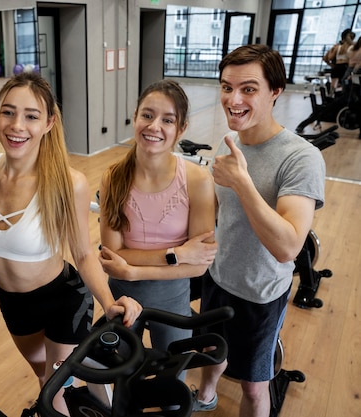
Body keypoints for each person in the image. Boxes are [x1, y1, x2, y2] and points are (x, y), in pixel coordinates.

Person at [0, 72, 142, 414]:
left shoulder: (68, 183)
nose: (17, 125)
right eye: (8, 112)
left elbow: (82, 253)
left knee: (54, 392)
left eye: (31, 116)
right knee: (43, 378)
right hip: (12, 303)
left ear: (48, 123)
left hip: (63, 301)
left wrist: (107, 302)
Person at [192, 45, 325, 417]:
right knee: (210, 351)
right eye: (226, 87)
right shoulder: (229, 142)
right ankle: (205, 395)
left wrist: (242, 182)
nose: (233, 99)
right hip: (218, 277)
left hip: (261, 294)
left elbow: (288, 247)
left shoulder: (301, 158)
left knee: (254, 385)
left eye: (248, 89)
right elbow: (217, 213)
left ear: (275, 92)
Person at [96, 80, 217, 358]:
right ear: (135, 116)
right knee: (119, 379)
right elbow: (113, 255)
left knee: (172, 386)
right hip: (122, 299)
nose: (154, 127)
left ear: (181, 128)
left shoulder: (198, 180)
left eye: (167, 120)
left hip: (173, 301)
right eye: (147, 115)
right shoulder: (113, 177)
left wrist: (133, 270)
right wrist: (177, 254)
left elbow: (198, 267)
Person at [323, 29, 355, 95]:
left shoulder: (337, 47)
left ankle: (330, 97)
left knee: (333, 86)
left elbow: (328, 58)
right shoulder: (351, 47)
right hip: (345, 67)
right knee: (345, 85)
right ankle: (342, 98)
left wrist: (332, 65)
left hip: (337, 67)